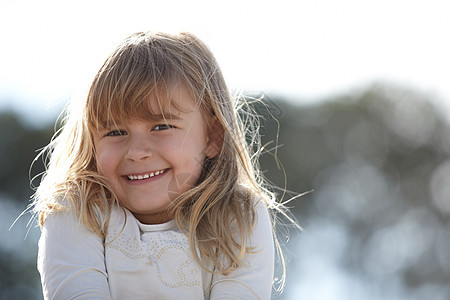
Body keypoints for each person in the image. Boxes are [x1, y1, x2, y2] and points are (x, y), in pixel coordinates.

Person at [33, 31, 292, 299]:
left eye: (161, 126)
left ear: (212, 137)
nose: (136, 152)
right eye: (115, 132)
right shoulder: (76, 210)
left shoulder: (239, 216)